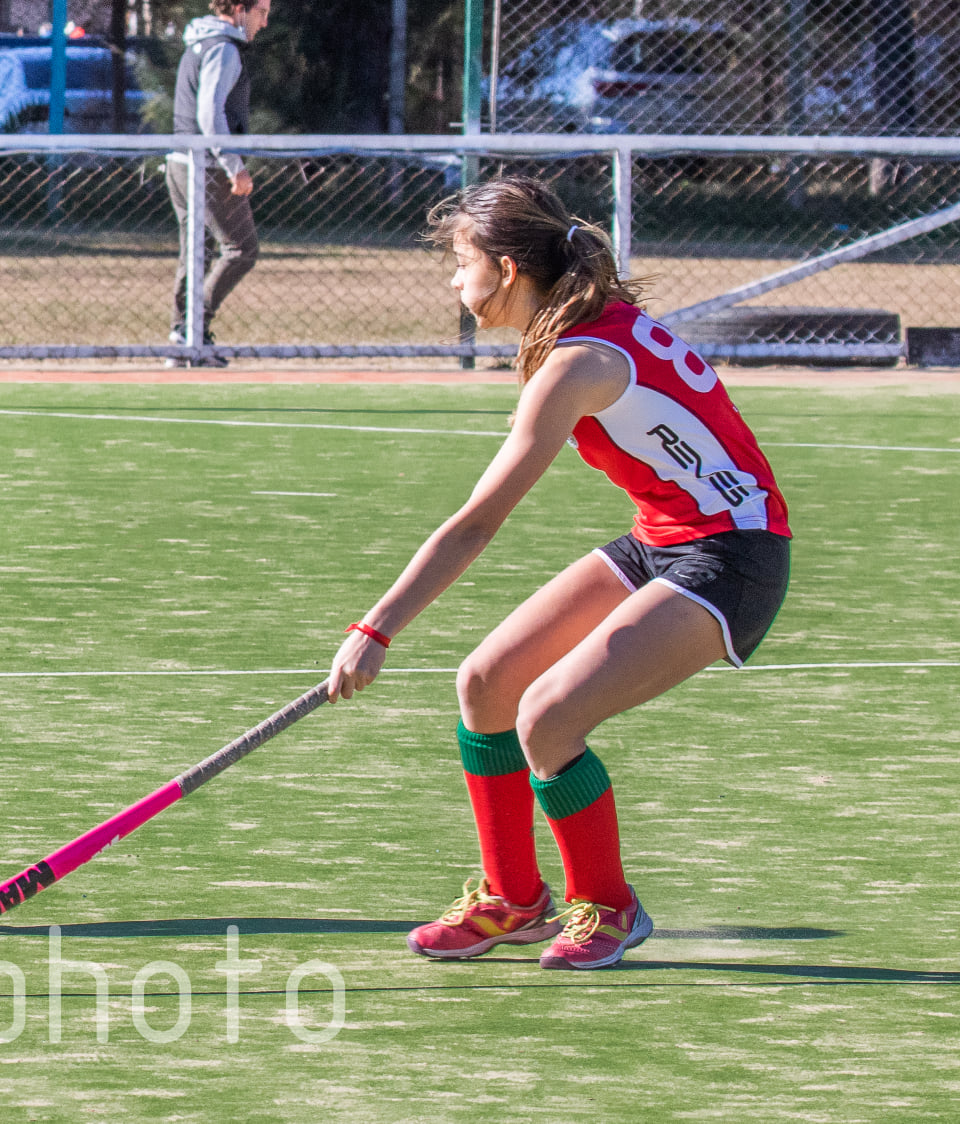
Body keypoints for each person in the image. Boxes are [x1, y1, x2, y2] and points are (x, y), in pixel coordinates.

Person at [325, 175, 791, 971]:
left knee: (546, 716)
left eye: (460, 262)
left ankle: (610, 907)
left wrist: (376, 628)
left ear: (506, 269)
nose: (453, 279)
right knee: (486, 681)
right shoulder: (578, 330)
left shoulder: (578, 361)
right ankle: (514, 900)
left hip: (734, 557)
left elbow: (476, 523)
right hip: (665, 539)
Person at [165, 0, 269, 368]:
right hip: (205, 167)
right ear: (240, 9)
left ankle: (184, 338)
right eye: (262, 12)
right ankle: (191, 329)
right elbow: (210, 114)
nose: (265, 23)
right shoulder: (223, 48)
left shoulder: (200, 41)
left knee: (196, 251)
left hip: (180, 164)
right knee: (242, 248)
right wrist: (234, 166)